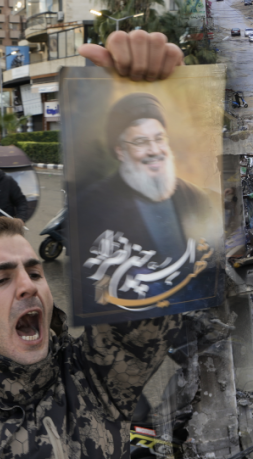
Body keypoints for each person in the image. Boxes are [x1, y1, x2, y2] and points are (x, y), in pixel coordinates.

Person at [0, 30, 187, 459]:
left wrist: (128, 90)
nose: (29, 284)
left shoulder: (93, 381)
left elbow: (149, 291)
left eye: (34, 270)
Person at [74, 91, 219, 317]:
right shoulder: (91, 209)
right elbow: (93, 292)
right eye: (141, 141)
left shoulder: (195, 198)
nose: (154, 150)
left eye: (159, 138)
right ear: (120, 151)